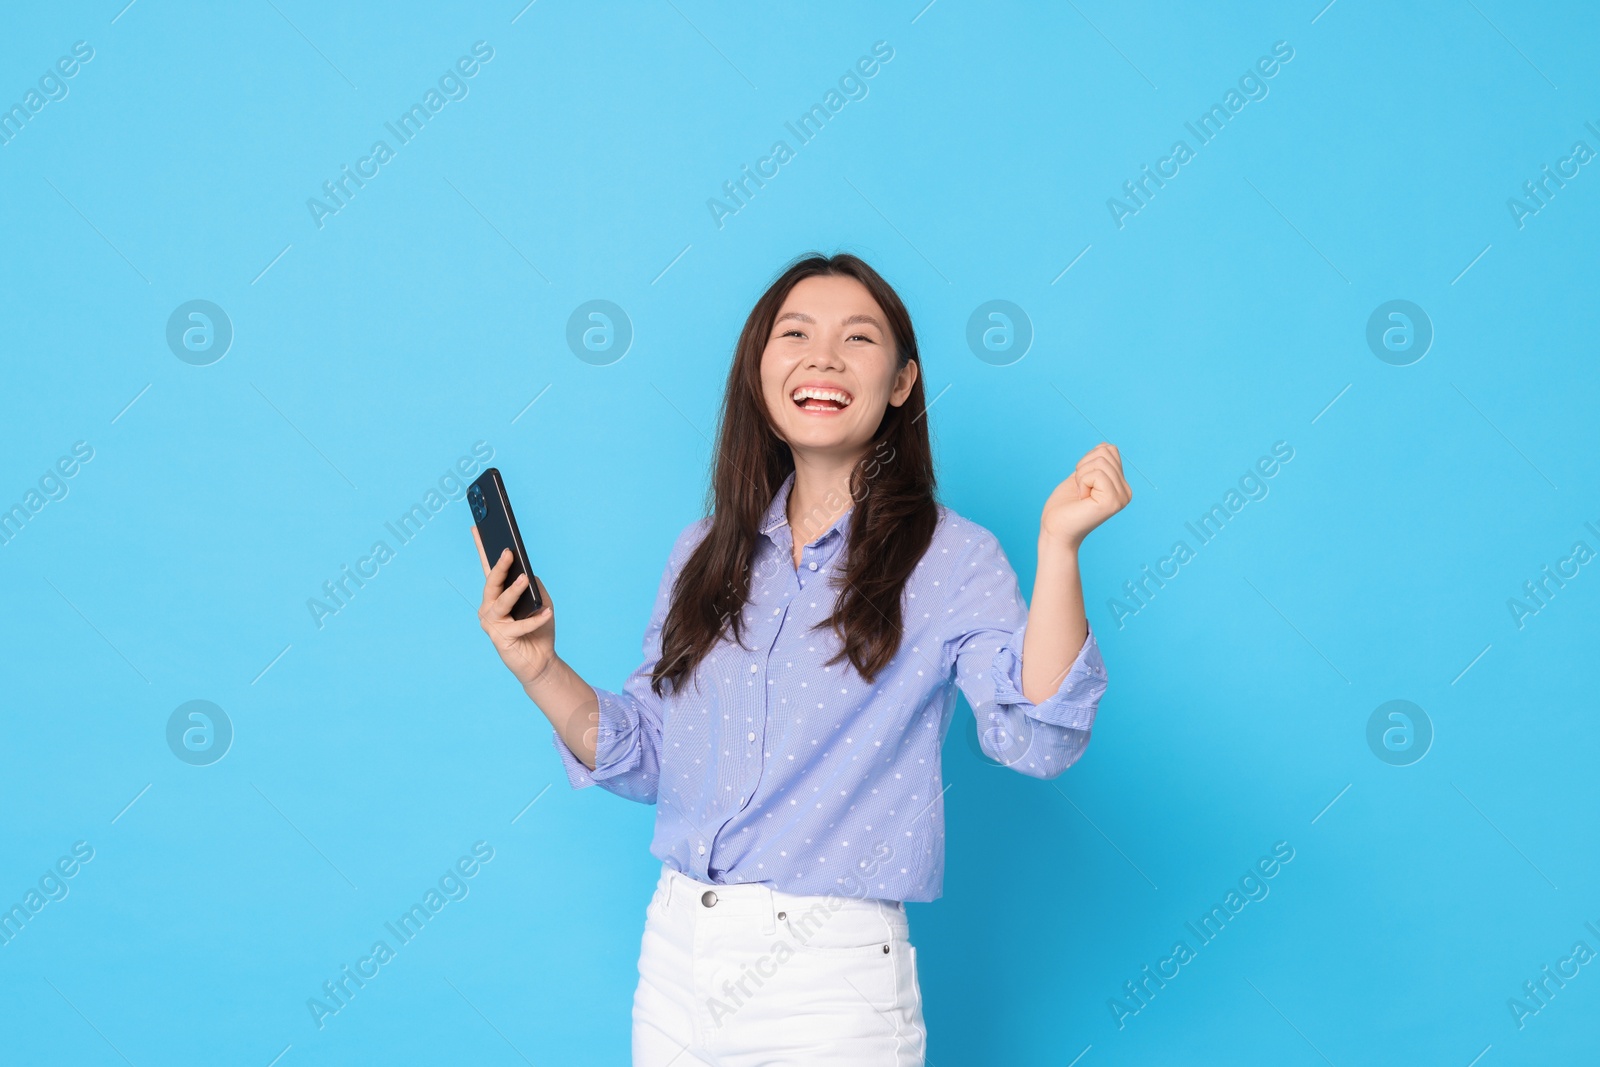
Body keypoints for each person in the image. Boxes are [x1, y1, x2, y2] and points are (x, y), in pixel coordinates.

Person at [471, 252, 1131, 1065]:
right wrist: (539, 665)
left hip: (829, 977)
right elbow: (652, 758)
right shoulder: (704, 552)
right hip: (677, 955)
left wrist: (1058, 548)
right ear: (759, 372)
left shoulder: (952, 557)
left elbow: (1038, 738)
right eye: (796, 334)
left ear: (901, 382)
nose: (823, 357)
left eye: (859, 338)